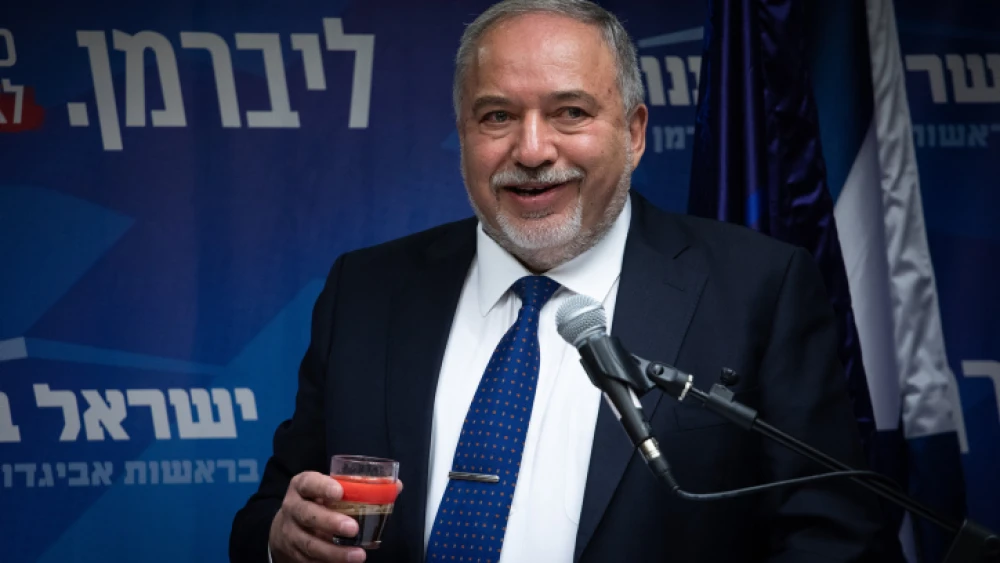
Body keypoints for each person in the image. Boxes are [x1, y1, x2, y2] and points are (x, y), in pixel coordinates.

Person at [230, 1, 892, 561]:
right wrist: (281, 539)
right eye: (497, 116)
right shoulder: (366, 290)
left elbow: (837, 540)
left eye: (570, 112)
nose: (531, 150)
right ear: (463, 134)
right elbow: (271, 515)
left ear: (633, 133)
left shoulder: (758, 289)